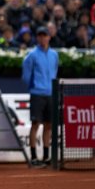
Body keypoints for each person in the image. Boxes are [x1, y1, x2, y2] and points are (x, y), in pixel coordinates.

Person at [21, 26, 59, 167]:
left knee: (48, 125)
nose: (42, 38)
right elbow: (26, 76)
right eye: (40, 36)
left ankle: (46, 157)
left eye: (45, 36)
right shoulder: (31, 56)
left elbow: (54, 71)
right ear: (37, 38)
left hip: (50, 94)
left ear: (49, 37)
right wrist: (34, 87)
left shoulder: (54, 55)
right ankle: (33, 158)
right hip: (37, 94)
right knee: (35, 125)